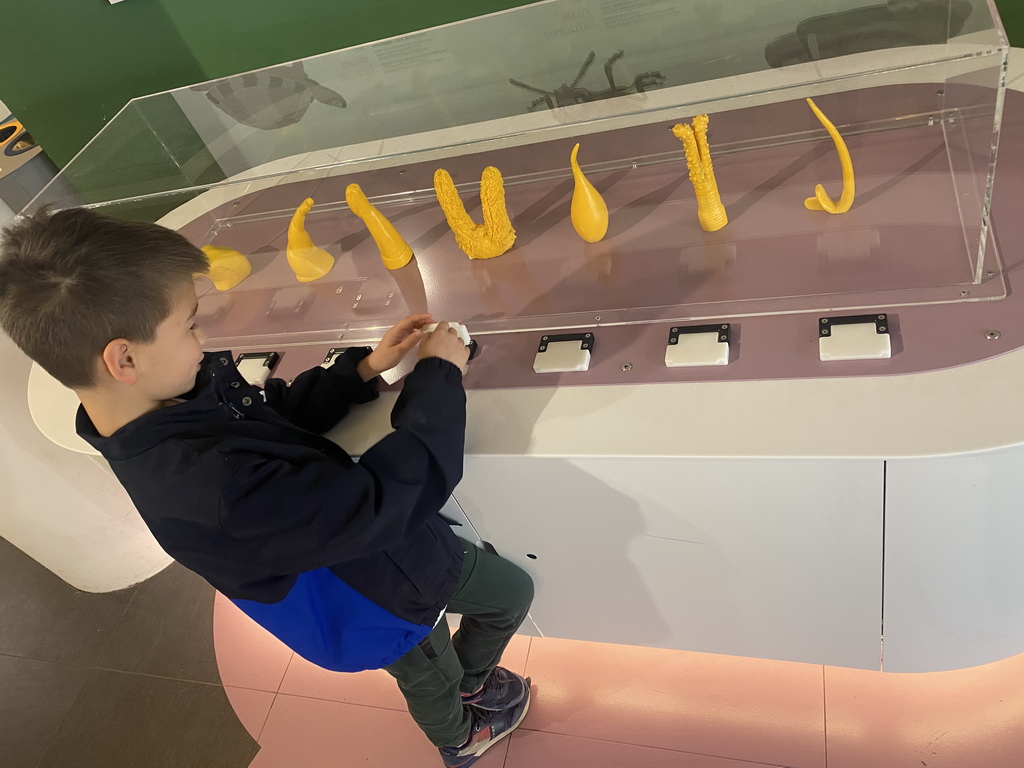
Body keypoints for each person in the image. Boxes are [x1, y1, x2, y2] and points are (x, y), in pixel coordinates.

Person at [0, 207, 535, 767]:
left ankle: (472, 683)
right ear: (124, 358)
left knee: (509, 595)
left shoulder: (161, 405)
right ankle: (458, 737)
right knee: (432, 676)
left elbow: (265, 420)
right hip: (377, 601)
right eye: (189, 324)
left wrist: (360, 370)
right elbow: (382, 502)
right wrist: (439, 377)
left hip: (395, 556)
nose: (202, 338)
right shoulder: (211, 489)